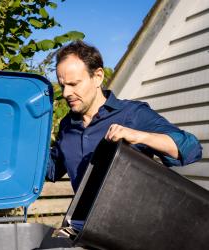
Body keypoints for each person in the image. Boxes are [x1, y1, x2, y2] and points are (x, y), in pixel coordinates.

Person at [46, 40, 203, 192]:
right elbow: (52, 169)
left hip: (132, 217)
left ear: (98, 77)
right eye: (62, 86)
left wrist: (139, 136)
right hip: (83, 219)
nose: (66, 93)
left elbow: (191, 149)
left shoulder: (132, 113)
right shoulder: (67, 125)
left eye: (73, 84)